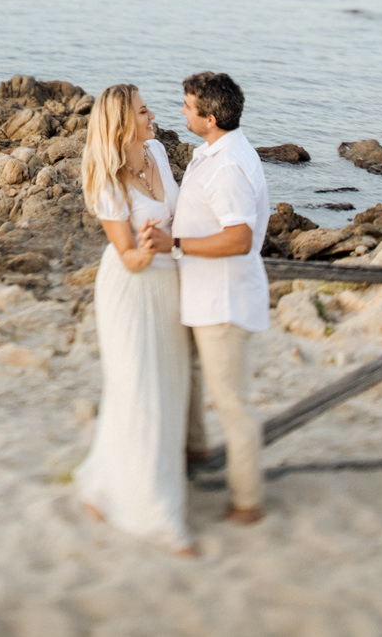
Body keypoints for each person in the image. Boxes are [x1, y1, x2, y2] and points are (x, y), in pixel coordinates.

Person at [70, 83, 196, 555]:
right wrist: (146, 247)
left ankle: (101, 486)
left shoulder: (158, 152)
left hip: (168, 285)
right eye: (143, 111)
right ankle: (154, 513)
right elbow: (127, 255)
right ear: (123, 123)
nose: (152, 114)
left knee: (168, 388)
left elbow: (178, 216)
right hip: (131, 288)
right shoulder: (106, 180)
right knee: (136, 388)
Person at [144, 70, 271, 525]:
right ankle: (196, 454)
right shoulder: (214, 152)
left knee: (233, 404)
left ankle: (247, 502)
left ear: (210, 117)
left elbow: (238, 238)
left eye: (187, 105)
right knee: (195, 380)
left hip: (225, 301)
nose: (181, 111)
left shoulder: (229, 166)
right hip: (201, 296)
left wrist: (175, 245)